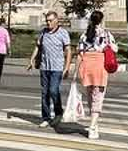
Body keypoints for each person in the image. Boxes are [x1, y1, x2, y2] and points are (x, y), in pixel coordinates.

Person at [70, 10, 117, 140]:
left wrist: (76, 72)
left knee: (90, 95)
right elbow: (115, 49)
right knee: (98, 96)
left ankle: (94, 124)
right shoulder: (106, 34)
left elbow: (80, 53)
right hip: (99, 66)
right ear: (102, 20)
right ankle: (92, 127)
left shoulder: (85, 35)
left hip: (86, 66)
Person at [30, 10, 71, 128]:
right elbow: (38, 47)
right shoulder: (43, 32)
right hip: (44, 67)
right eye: (47, 21)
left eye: (51, 20)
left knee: (53, 90)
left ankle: (58, 112)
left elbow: (68, 51)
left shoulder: (63, 33)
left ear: (56, 20)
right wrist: (32, 59)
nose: (48, 23)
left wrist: (67, 67)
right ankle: (46, 118)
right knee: (45, 93)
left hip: (57, 68)